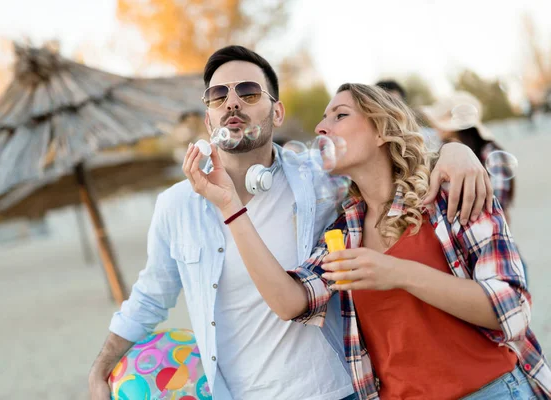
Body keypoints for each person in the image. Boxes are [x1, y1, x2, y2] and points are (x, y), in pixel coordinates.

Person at [89, 46, 495, 400]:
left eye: (248, 92)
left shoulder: (320, 177)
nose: (232, 102)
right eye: (218, 95)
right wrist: (99, 368)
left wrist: (455, 153)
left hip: (343, 388)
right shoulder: (176, 205)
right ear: (208, 117)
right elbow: (149, 297)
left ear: (277, 111)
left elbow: (390, 146)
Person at [184, 82, 551, 399]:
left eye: (339, 115)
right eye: (323, 118)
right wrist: (230, 206)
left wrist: (398, 272)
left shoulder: (453, 193)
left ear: (382, 131)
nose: (320, 127)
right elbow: (289, 302)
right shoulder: (344, 234)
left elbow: (511, 310)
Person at [421, 91, 515, 220]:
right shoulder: (441, 153)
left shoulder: (492, 154)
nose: (434, 125)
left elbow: (497, 204)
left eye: (439, 120)